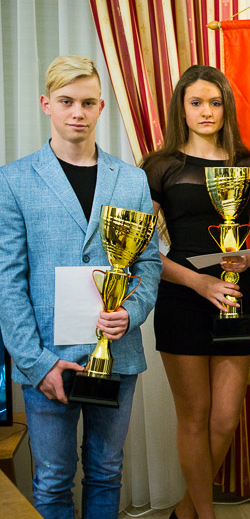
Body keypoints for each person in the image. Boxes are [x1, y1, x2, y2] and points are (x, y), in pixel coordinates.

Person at [0, 55, 161, 518]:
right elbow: (8, 282)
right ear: (46, 104)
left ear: (101, 107)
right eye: (67, 101)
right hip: (47, 358)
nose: (77, 112)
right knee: (52, 480)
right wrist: (36, 363)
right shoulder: (14, 180)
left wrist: (131, 312)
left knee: (107, 471)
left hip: (117, 353)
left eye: (88, 103)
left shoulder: (131, 179)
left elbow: (148, 263)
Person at [141, 65, 250, 519]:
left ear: (226, 108)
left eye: (215, 103)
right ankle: (206, 516)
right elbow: (141, 250)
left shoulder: (249, 166)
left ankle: (185, 512)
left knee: (225, 420)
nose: (206, 111)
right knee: (194, 417)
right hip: (182, 298)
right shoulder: (160, 166)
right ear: (181, 107)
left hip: (234, 298)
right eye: (196, 102)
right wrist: (198, 281)